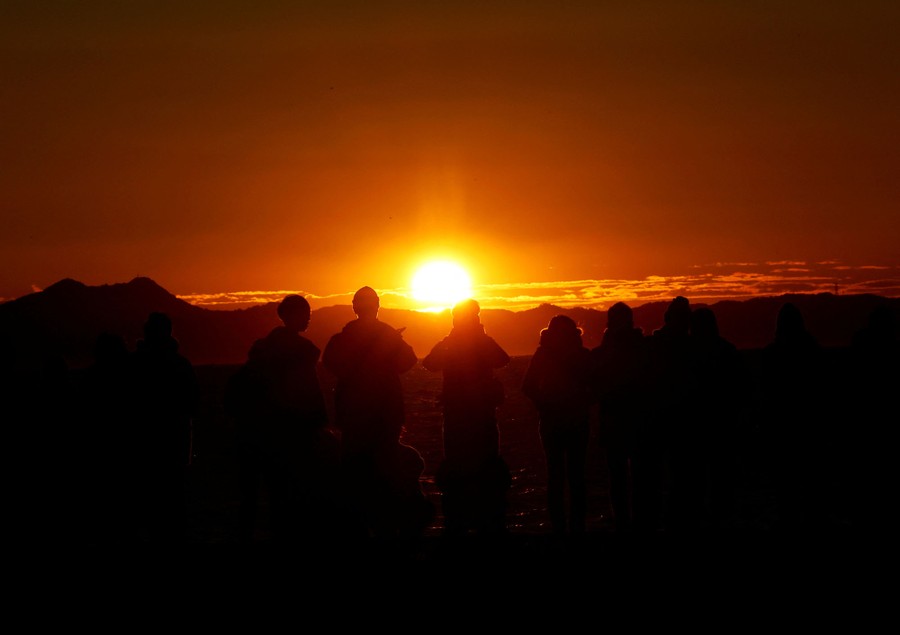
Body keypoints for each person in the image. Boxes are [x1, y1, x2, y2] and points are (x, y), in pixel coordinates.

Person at [225, 294, 337, 544]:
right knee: (285, 495)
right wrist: (319, 425)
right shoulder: (302, 352)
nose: (309, 316)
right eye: (306, 312)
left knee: (252, 497)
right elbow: (309, 394)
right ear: (293, 315)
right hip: (288, 435)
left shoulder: (262, 349)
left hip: (255, 433)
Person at [322, 286, 431, 539]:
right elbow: (409, 360)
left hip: (354, 416)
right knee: (386, 472)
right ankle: (387, 530)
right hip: (385, 415)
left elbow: (330, 363)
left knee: (355, 472)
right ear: (377, 306)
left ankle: (357, 530)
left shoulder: (343, 338)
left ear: (354, 307)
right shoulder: (388, 335)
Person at [423, 298, 511, 537]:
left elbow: (429, 363)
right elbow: (502, 359)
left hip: (458, 416)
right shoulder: (480, 342)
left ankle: (458, 526)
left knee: (458, 467)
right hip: (480, 415)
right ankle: (488, 525)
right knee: (485, 466)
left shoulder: (453, 343)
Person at [522, 315, 593, 538]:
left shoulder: (547, 354)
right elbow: (529, 386)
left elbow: (528, 387)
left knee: (561, 475)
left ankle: (563, 528)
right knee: (572, 475)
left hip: (562, 420)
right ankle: (571, 528)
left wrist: (544, 404)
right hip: (566, 420)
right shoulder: (580, 355)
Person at [130, 312, 198, 543]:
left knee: (149, 506)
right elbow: (193, 403)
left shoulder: (134, 365)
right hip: (173, 445)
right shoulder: (180, 365)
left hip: (144, 446)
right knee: (173, 506)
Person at [591, 302, 647, 533]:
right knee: (637, 476)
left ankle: (624, 524)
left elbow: (594, 387)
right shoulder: (644, 348)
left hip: (620, 419)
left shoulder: (602, 352)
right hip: (636, 419)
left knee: (620, 476)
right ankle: (637, 523)